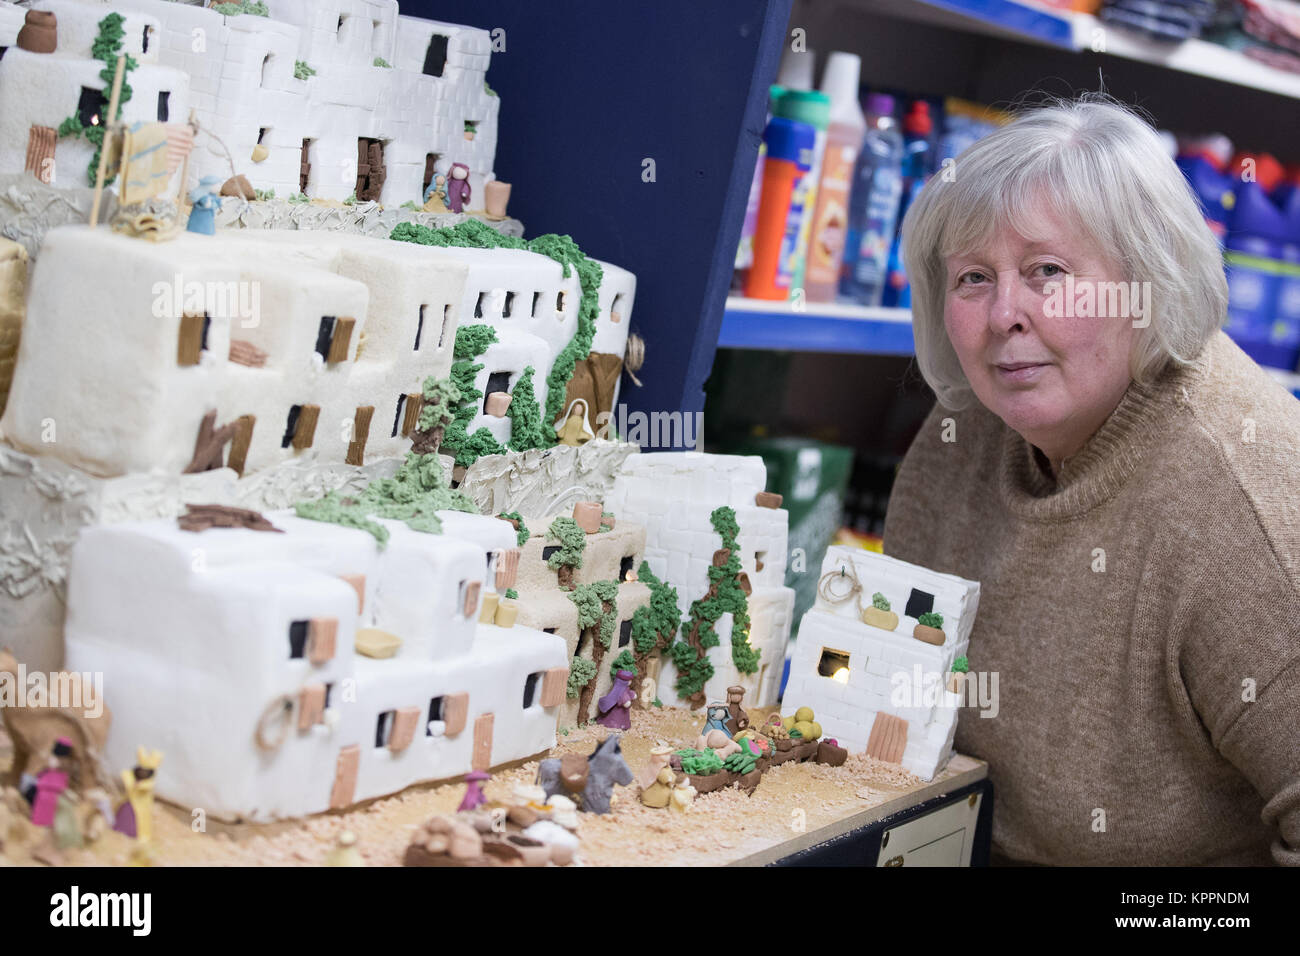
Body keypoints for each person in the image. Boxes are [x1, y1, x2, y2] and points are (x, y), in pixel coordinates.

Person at [885, 94, 1300, 865]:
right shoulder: (968, 430)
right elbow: (888, 687)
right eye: (973, 278)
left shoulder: (1245, 500)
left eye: (1047, 271)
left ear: (1148, 283)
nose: (1005, 313)